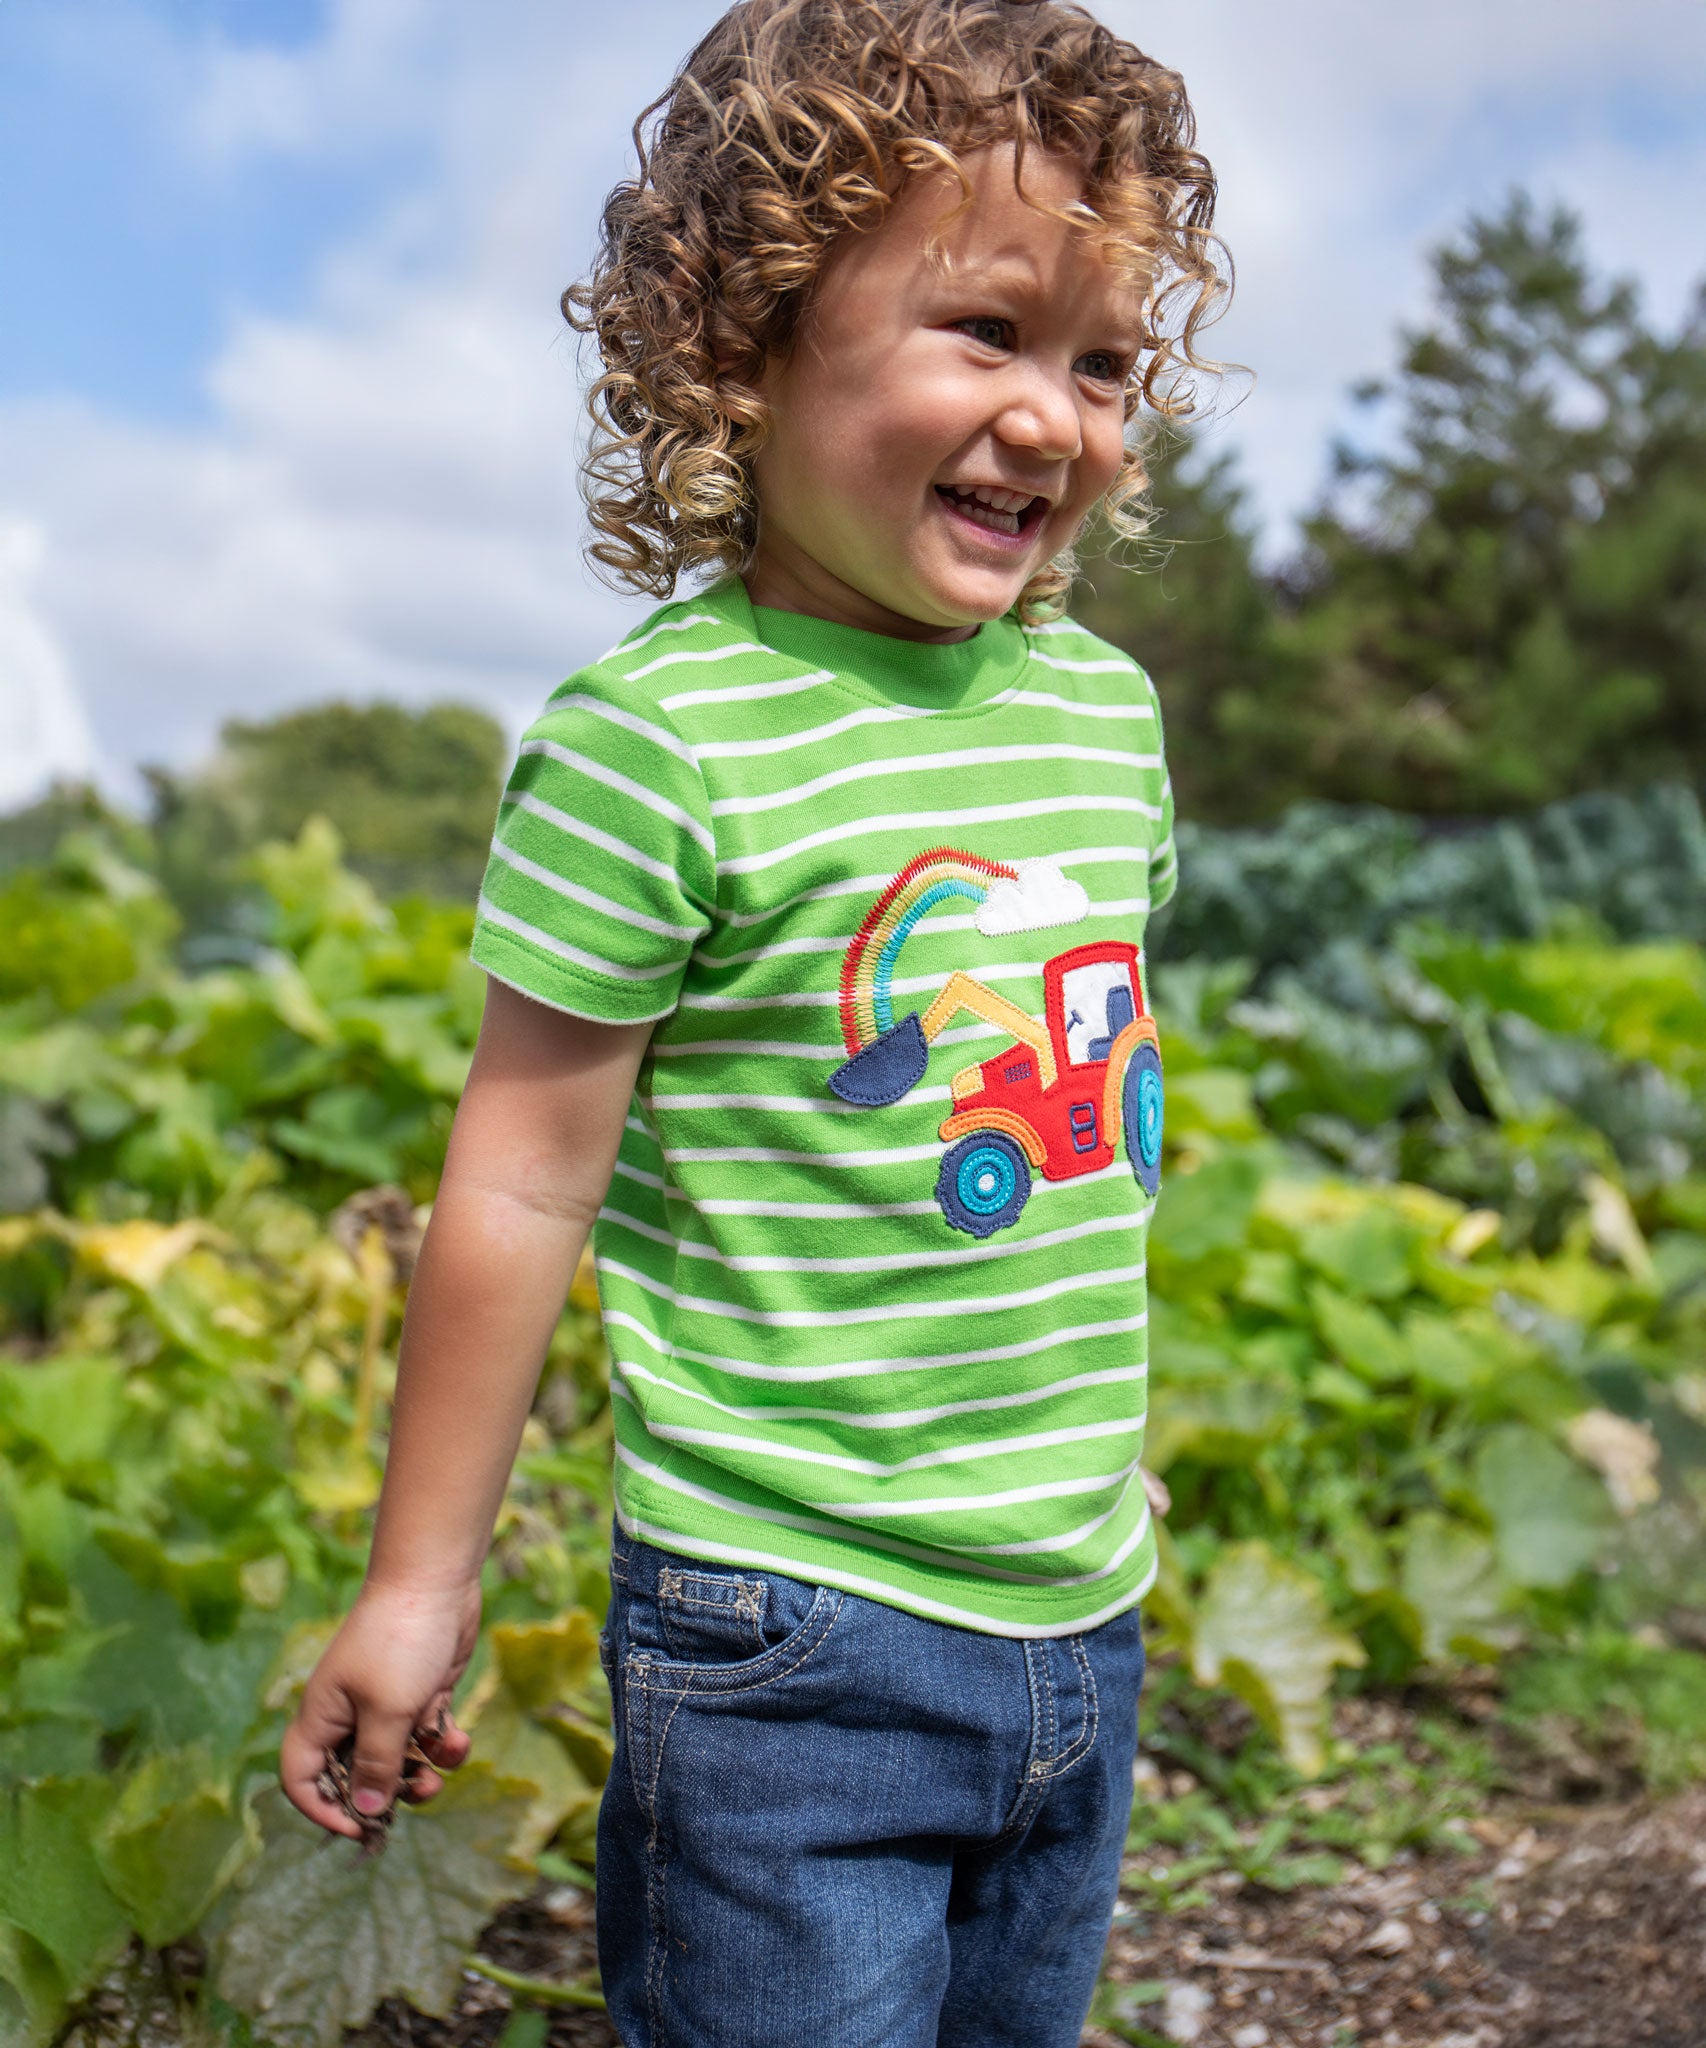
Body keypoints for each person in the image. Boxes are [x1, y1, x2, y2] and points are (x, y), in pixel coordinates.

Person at [281, 3, 1229, 2040]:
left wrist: (1081, 1451)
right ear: (748, 339)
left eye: (1102, 363)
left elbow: (1086, 1117)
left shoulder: (1101, 717)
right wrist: (419, 1584)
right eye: (984, 332)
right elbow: (524, 1183)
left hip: (1080, 1607)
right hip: (789, 1640)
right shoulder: (659, 742)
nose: (1054, 418)